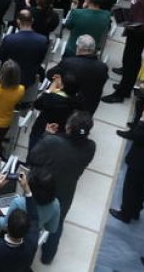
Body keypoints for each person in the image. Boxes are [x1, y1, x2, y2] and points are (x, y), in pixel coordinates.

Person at [26, 111, 95, 264]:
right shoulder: (90, 147)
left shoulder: (52, 142)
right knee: (57, 223)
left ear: (68, 127)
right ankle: (48, 256)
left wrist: (46, 136)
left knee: (31, 218)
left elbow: (33, 158)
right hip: (66, 190)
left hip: (42, 186)